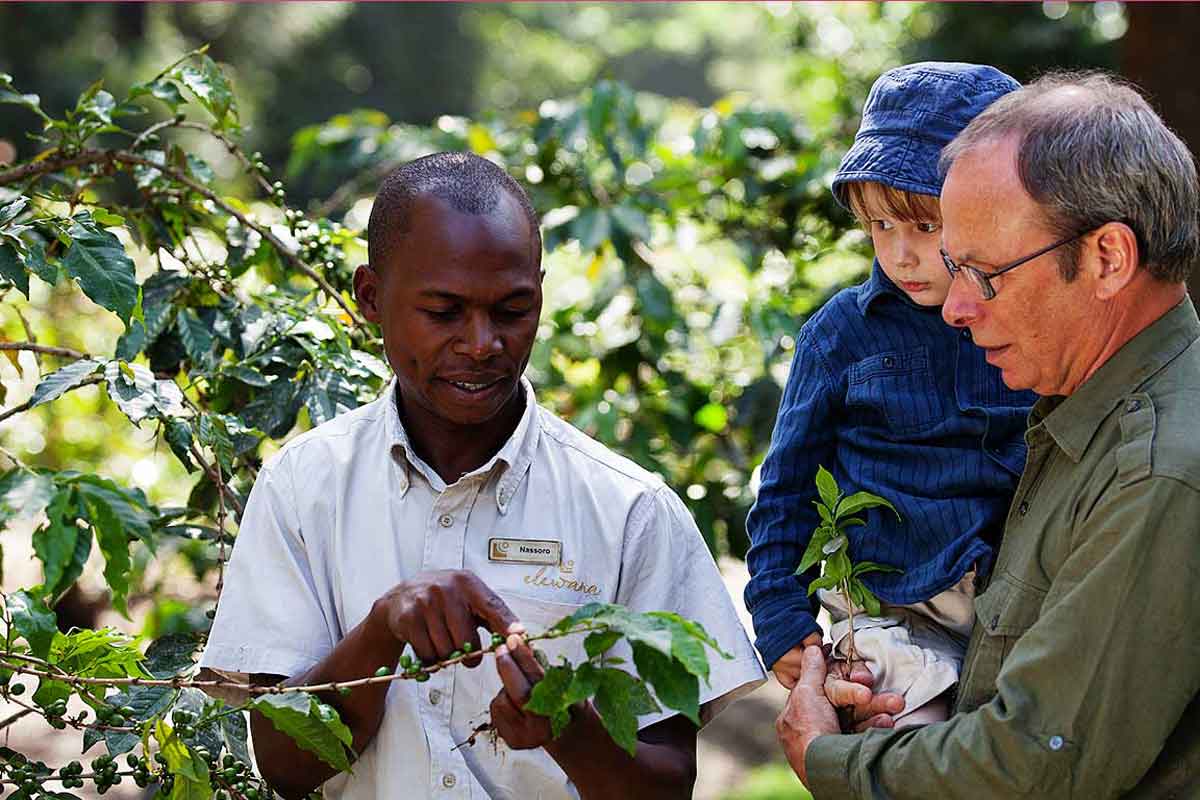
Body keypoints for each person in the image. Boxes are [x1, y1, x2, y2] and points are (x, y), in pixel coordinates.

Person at [199, 152, 765, 800]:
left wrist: (565, 726)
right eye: (444, 312)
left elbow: (667, 787)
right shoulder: (302, 491)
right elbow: (285, 767)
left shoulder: (630, 511)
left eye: (512, 310)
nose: (481, 343)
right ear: (370, 298)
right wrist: (379, 634)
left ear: (541, 294)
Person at [778, 71, 1200, 798]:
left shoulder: (1156, 469)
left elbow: (1037, 764)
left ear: (1107, 258)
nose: (954, 308)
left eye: (983, 271)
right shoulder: (1084, 408)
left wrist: (824, 757)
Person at [744, 62, 1035, 726]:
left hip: (1012, 607)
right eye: (879, 227)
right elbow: (786, 488)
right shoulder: (843, 335)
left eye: (924, 227)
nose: (899, 254)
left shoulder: (1028, 323)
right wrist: (782, 618)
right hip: (889, 612)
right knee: (903, 746)